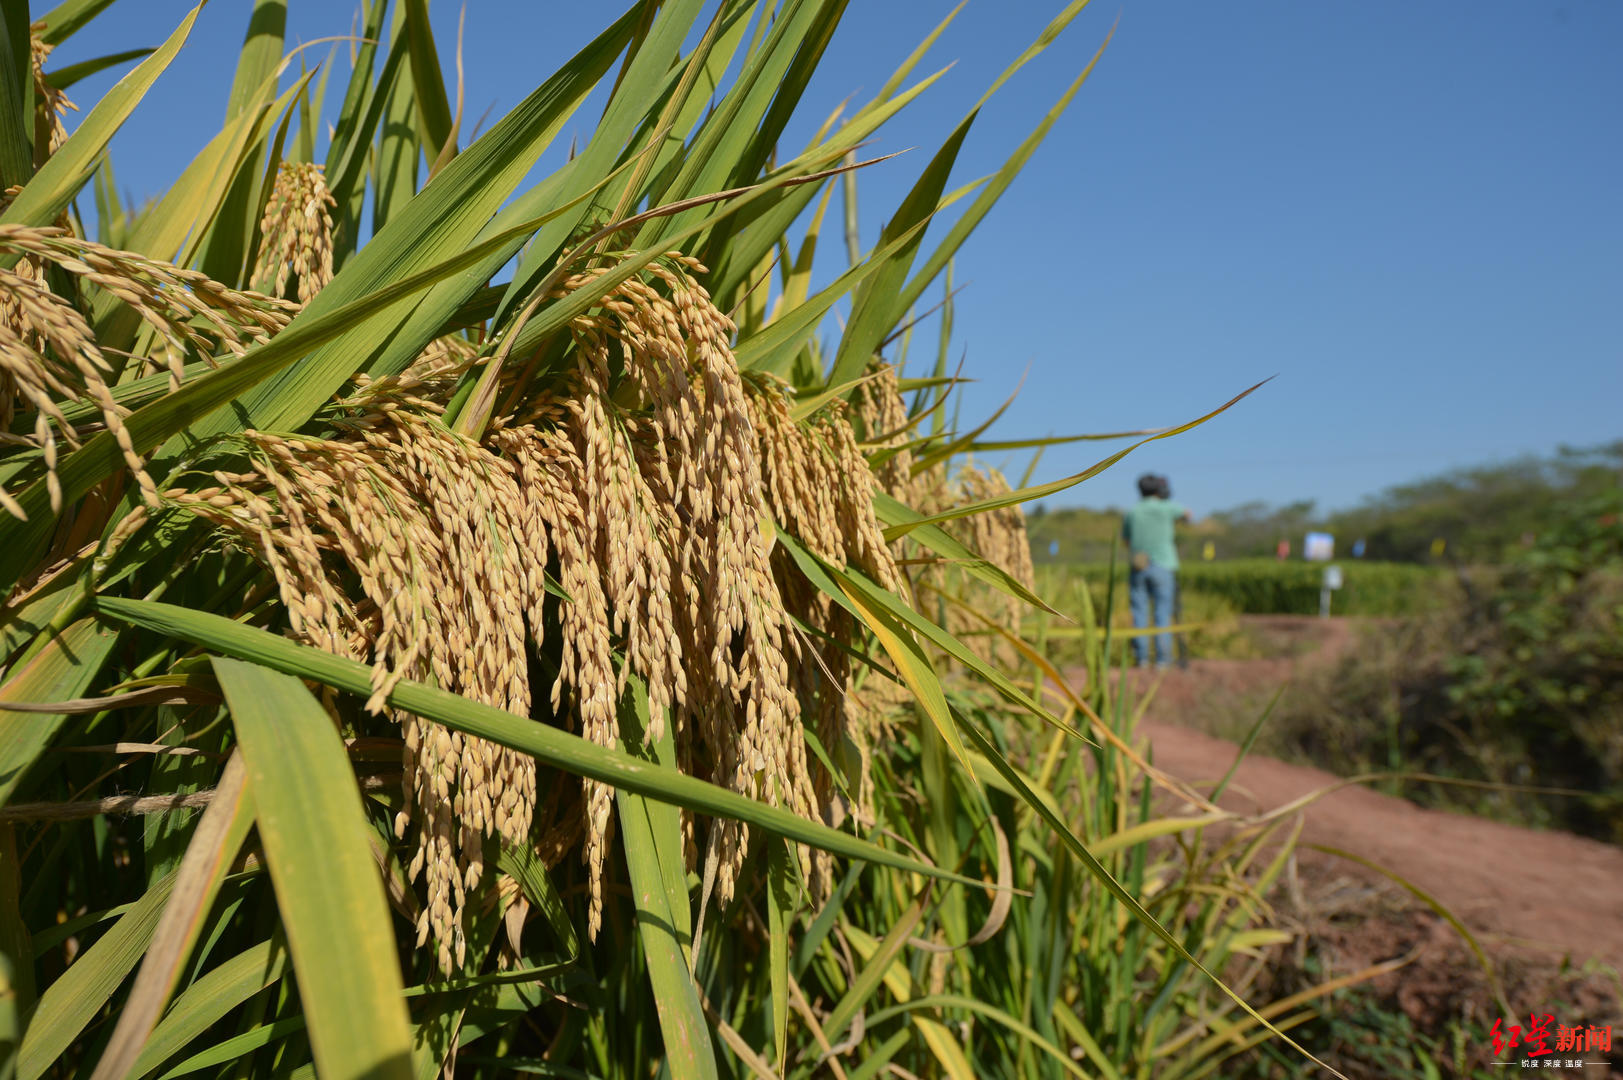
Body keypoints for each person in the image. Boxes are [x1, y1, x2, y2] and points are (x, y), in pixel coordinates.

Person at [1122, 473, 1192, 668]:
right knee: (1163, 613)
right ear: (1158, 490)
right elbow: (1188, 515)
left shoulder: (1132, 512)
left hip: (1139, 566)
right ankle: (1163, 661)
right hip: (1163, 565)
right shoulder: (1167, 507)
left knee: (1139, 613)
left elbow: (1126, 540)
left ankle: (1142, 659)